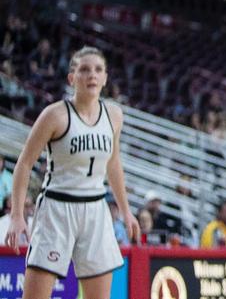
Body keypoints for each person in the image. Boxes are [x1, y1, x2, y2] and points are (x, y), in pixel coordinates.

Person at [3, 47, 140, 299]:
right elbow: (24, 163)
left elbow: (113, 163)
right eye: (84, 69)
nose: (92, 75)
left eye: (98, 70)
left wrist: (126, 210)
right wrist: (17, 215)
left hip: (96, 209)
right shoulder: (54, 114)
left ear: (106, 78)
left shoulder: (114, 116)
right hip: (57, 207)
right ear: (71, 78)